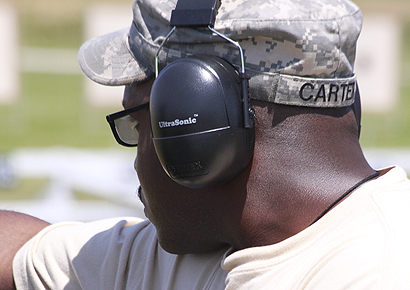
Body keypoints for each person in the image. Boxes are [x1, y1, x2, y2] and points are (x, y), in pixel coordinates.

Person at [1, 0, 410, 289]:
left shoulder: (380, 275)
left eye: (138, 123)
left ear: (195, 118)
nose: (137, 161)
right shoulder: (201, 248)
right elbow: (18, 250)